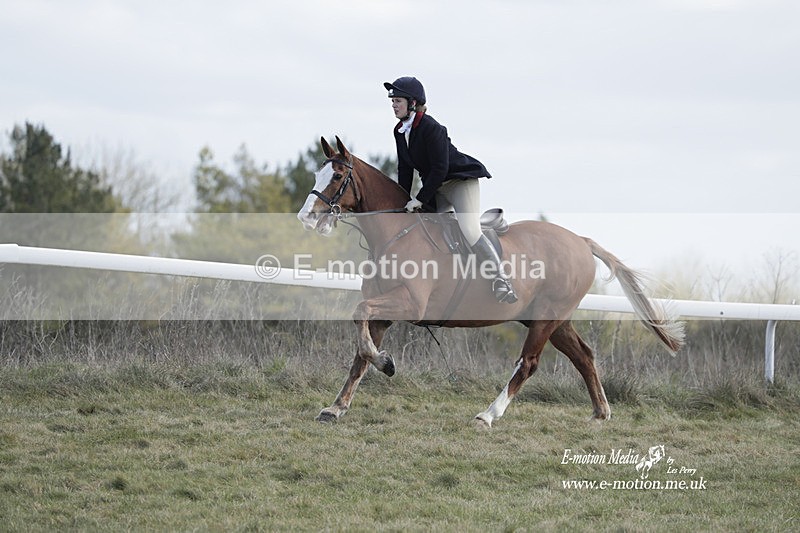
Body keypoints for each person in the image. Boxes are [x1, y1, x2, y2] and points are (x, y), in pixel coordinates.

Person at [384, 76, 517, 304]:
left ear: (413, 103)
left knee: (469, 230)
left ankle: (500, 279)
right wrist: (402, 200)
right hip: (436, 186)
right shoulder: (399, 131)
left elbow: (439, 168)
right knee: (423, 225)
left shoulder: (432, 127)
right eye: (392, 101)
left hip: (458, 182)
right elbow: (405, 169)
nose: (393, 105)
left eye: (398, 100)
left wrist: (420, 198)